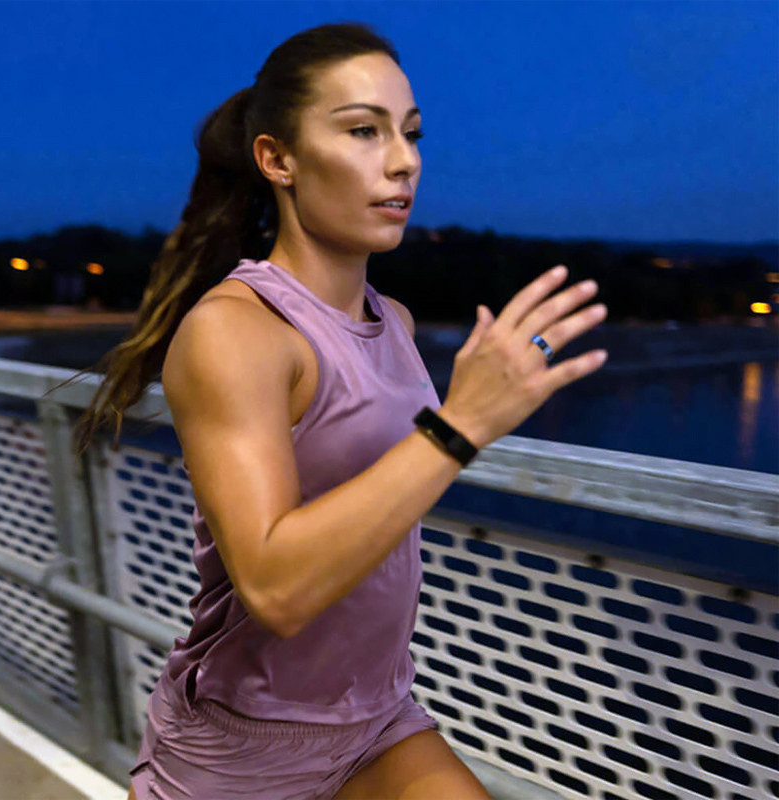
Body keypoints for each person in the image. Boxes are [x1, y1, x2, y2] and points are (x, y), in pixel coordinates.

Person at [61, 20, 607, 800]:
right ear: (277, 159)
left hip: (376, 719)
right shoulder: (236, 331)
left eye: (411, 133)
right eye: (363, 131)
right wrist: (461, 425)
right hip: (242, 747)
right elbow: (275, 589)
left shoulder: (397, 323)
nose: (404, 160)